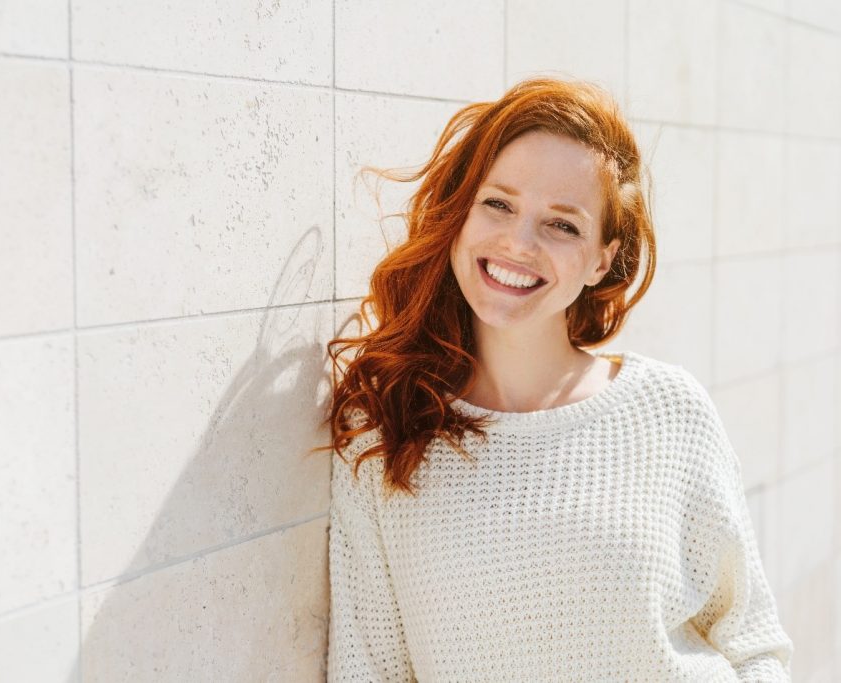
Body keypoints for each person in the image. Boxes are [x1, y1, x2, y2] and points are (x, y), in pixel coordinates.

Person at [314, 77, 794, 681]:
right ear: (460, 212)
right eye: (499, 204)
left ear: (600, 258)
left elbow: (753, 644)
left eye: (562, 225)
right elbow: (369, 668)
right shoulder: (386, 428)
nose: (518, 243)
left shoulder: (669, 411)